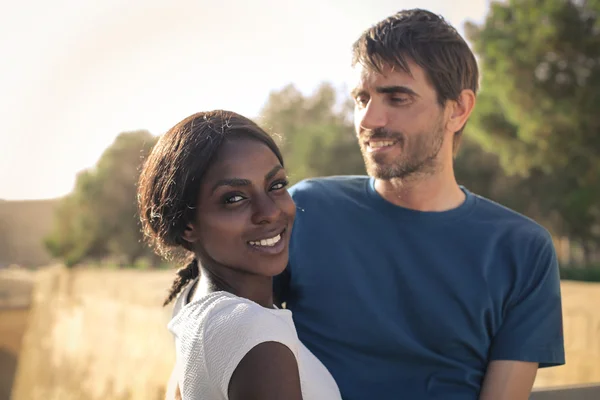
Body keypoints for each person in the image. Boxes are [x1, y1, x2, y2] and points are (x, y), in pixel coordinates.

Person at [274, 9, 565, 400]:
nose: (369, 118)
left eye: (397, 97)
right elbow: (221, 328)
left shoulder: (522, 250)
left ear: (458, 109)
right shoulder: (305, 209)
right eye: (362, 98)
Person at [137, 110, 342, 400]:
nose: (269, 212)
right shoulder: (249, 330)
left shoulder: (194, 299)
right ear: (187, 226)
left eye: (276, 185)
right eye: (234, 198)